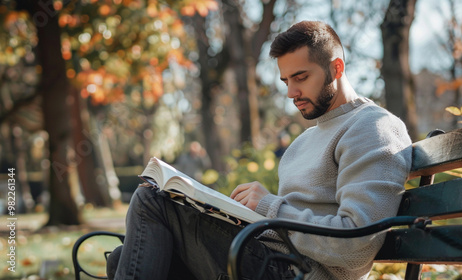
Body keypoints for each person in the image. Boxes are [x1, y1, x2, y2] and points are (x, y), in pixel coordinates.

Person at [107, 20, 412, 280]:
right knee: (122, 257)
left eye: (301, 78)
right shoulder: (303, 142)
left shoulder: (372, 128)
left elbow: (356, 246)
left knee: (151, 199)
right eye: (286, 81)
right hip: (269, 258)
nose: (291, 92)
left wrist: (269, 207)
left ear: (336, 67)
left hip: (297, 272)